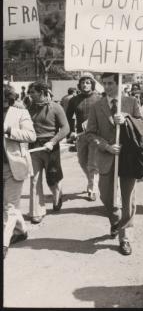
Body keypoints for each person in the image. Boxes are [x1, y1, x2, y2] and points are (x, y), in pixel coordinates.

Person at [86, 72, 143, 256]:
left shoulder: (131, 102)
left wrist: (127, 119)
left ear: (120, 83)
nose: (108, 86)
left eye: (111, 83)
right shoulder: (97, 106)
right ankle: (115, 220)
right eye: (105, 83)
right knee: (106, 196)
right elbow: (90, 133)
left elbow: (142, 126)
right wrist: (106, 146)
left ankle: (125, 236)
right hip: (107, 156)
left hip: (128, 158)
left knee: (128, 200)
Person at [27, 81, 69, 224]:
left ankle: (57, 194)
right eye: (30, 92)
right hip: (34, 147)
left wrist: (53, 141)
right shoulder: (30, 107)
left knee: (52, 178)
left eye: (33, 92)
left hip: (51, 147)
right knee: (34, 180)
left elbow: (65, 128)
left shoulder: (56, 107)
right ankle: (37, 212)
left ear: (42, 92)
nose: (30, 95)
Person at [3, 84, 36, 259]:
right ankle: (21, 230)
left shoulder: (20, 113)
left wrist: (8, 130)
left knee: (9, 206)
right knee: (10, 206)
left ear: (7, 98)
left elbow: (31, 136)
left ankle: (4, 243)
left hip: (13, 165)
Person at [66, 74, 102, 201]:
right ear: (79, 85)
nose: (85, 85)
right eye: (83, 82)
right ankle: (91, 181)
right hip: (80, 135)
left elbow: (105, 116)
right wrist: (70, 131)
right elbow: (68, 117)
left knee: (93, 163)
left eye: (88, 82)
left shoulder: (99, 98)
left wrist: (94, 123)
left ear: (92, 84)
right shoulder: (74, 100)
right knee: (82, 161)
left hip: (96, 135)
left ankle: (92, 190)